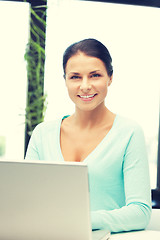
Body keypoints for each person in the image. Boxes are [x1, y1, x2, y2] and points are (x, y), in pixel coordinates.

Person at [25, 38, 152, 233]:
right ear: (65, 80)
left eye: (95, 75)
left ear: (110, 78)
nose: (85, 86)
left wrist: (79, 219)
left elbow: (140, 212)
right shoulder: (42, 134)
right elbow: (26, 201)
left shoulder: (129, 133)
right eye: (75, 77)